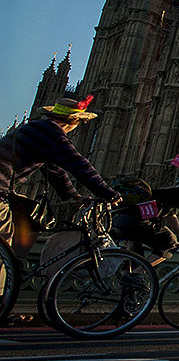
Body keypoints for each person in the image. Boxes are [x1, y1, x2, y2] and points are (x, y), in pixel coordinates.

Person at [0, 96, 120, 327]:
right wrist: (108, 193)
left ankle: (15, 269)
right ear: (73, 120)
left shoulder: (40, 129)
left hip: (5, 187)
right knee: (3, 243)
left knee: (28, 224)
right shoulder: (53, 133)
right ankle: (2, 303)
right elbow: (77, 163)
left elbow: (55, 170)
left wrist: (73, 196)